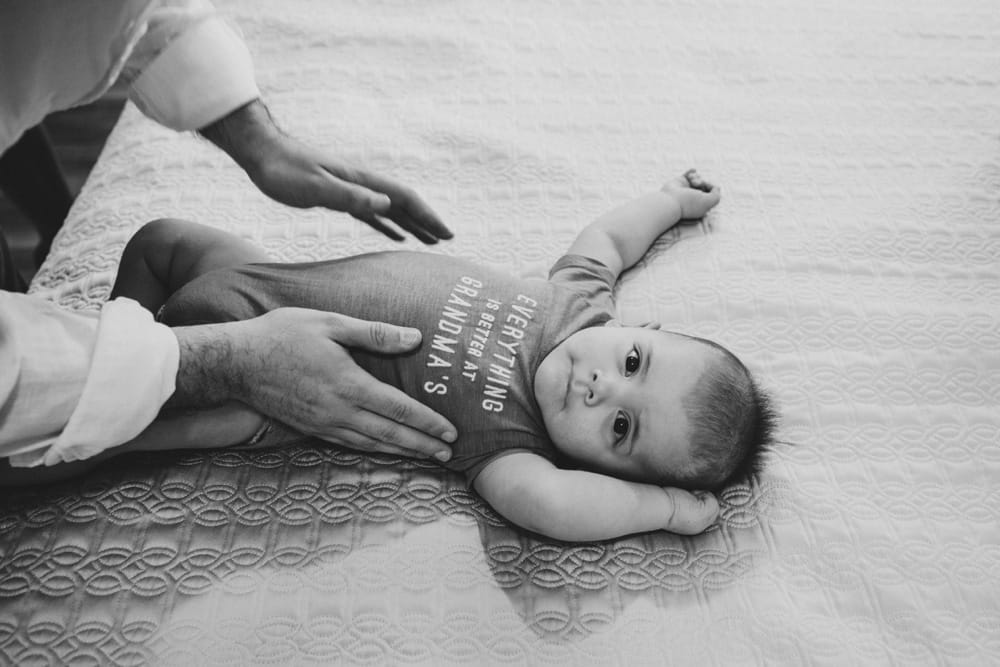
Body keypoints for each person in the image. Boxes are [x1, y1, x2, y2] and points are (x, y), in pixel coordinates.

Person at [82, 169, 776, 541]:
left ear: (596, 465)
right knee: (159, 240)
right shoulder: (577, 302)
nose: (601, 388)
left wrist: (659, 508)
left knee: (116, 425)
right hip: (273, 282)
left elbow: (553, 507)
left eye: (621, 429)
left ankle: (72, 410)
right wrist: (669, 200)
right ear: (641, 329)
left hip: (265, 397)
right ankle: (98, 339)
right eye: (633, 363)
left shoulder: (513, 446)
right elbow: (609, 242)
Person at [0, 0, 457, 471]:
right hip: (276, 318)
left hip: (274, 334)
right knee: (44, 439)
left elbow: (137, 15)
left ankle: (127, 380)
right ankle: (127, 383)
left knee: (165, 251)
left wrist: (260, 142)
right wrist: (213, 362)